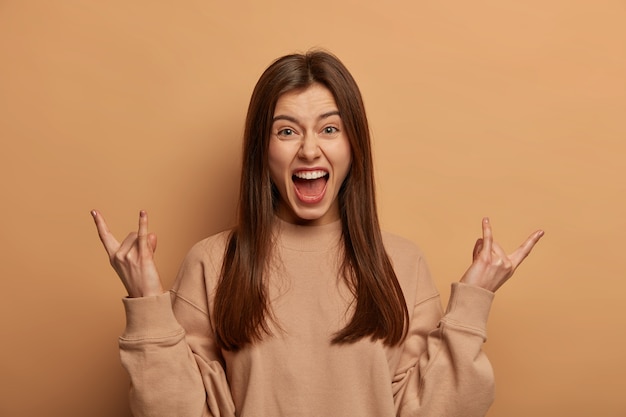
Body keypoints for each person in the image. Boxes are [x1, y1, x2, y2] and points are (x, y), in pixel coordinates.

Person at [91, 50, 544, 417]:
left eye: (330, 129)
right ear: (261, 151)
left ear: (353, 145)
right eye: (287, 131)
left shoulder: (403, 263)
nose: (310, 149)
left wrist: (472, 305)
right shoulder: (212, 262)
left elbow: (436, 410)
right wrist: (148, 306)